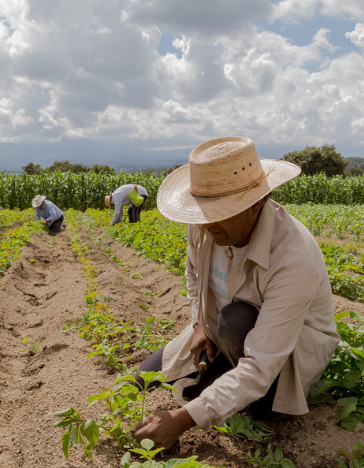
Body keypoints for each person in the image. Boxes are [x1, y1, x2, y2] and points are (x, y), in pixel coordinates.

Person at [131, 136, 340, 449]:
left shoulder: (293, 259)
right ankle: (218, 372)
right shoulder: (204, 227)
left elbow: (259, 368)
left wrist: (181, 420)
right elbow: (192, 274)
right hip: (220, 332)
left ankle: (256, 405)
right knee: (139, 379)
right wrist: (199, 324)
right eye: (202, 212)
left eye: (219, 212)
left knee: (235, 319)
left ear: (255, 204)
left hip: (281, 355)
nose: (205, 223)